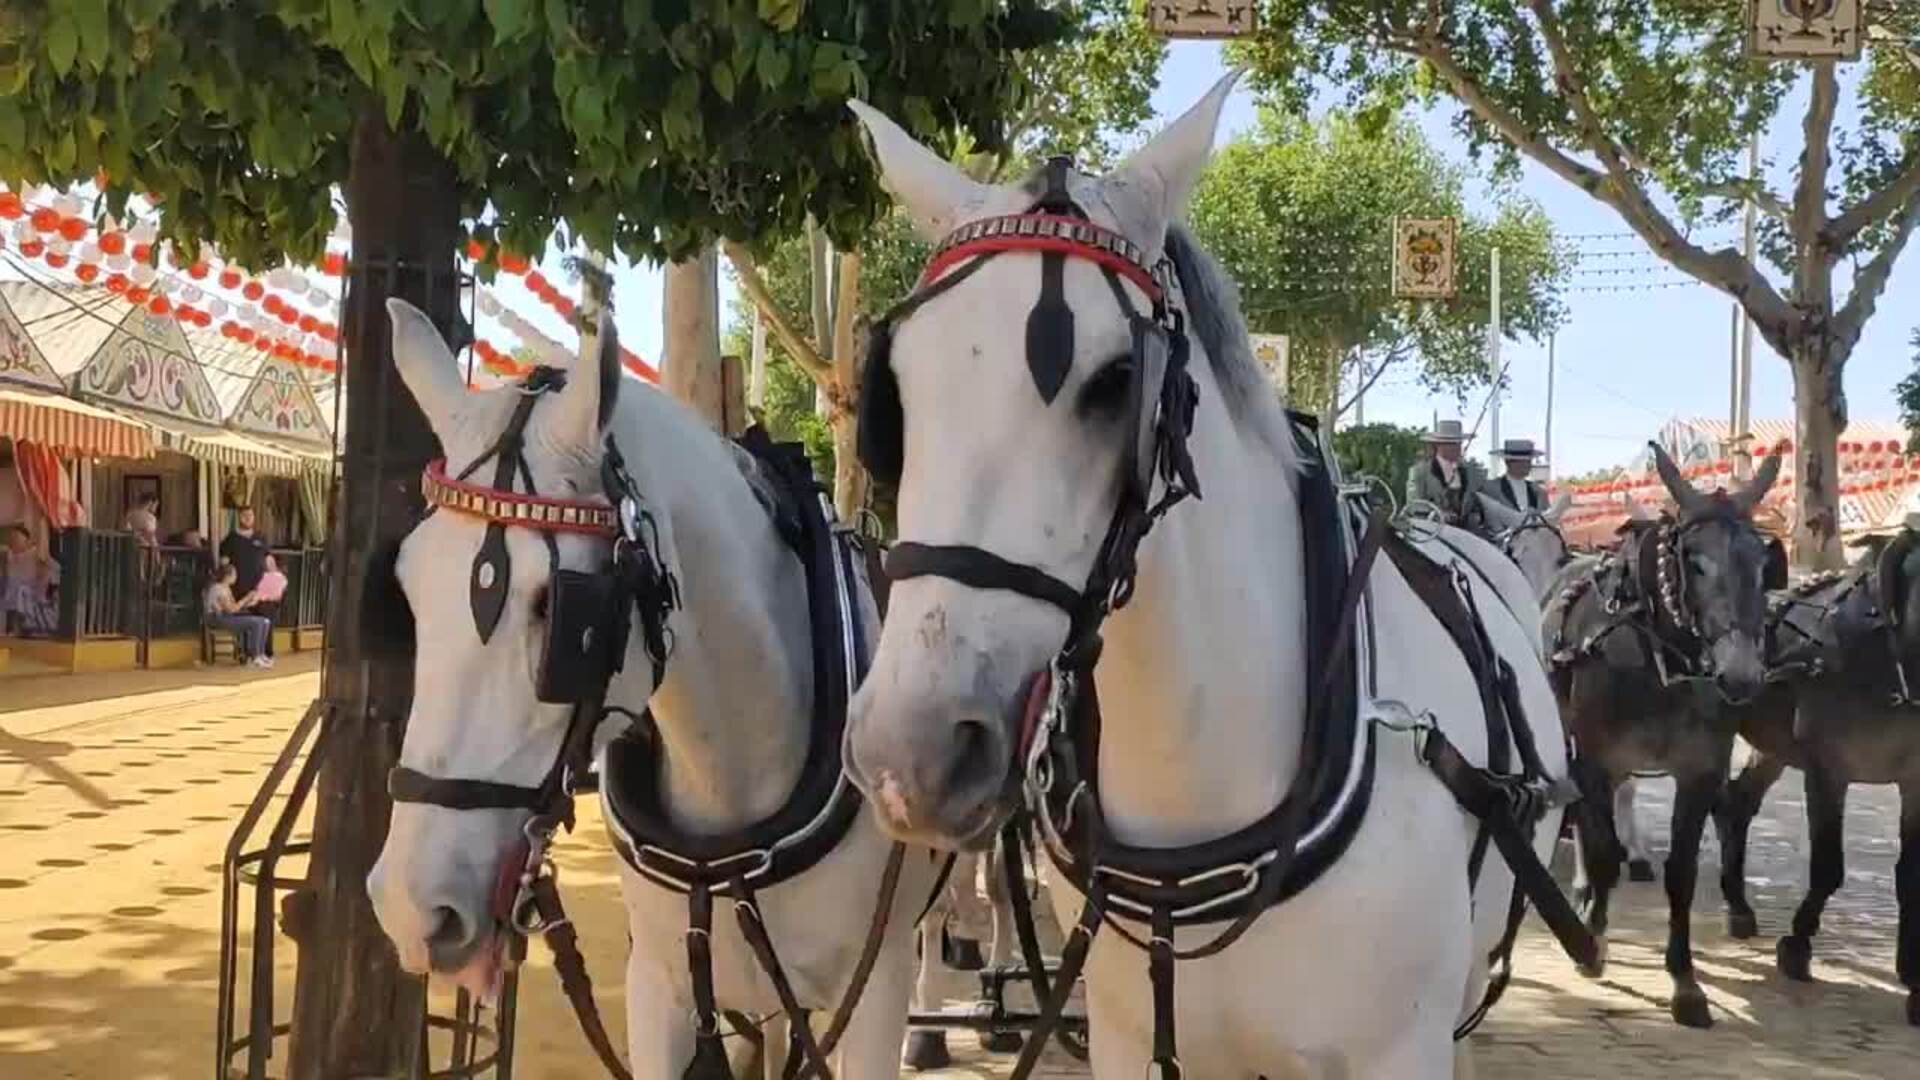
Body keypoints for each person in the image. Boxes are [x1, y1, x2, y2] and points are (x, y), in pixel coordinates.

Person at [1404, 419, 1488, 526]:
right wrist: (1438, 514)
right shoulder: (1420, 472)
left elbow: (1477, 504)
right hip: (1432, 533)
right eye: (1451, 444)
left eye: (1458, 443)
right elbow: (1414, 505)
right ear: (1438, 445)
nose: (1457, 447)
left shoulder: (1469, 473)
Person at [205, 562, 272, 667]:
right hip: (217, 619)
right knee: (255, 623)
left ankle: (261, 653)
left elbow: (234, 607)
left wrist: (249, 601)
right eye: (234, 574)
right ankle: (255, 657)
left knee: (264, 621)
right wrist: (246, 598)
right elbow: (231, 609)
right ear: (227, 576)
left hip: (227, 617)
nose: (236, 577)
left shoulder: (226, 588)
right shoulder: (218, 588)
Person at [2, 525, 60, 636]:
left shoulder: (34, 553)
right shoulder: (9, 555)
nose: (13, 541)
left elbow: (51, 567)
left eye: (17, 538)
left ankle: (21, 629)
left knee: (21, 593)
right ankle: (12, 630)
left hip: (30, 594)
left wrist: (43, 581)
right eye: (12, 538)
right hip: (11, 600)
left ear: (27, 540)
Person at [244, 554, 289, 660]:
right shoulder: (282, 578)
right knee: (267, 628)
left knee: (262, 627)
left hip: (263, 605)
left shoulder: (269, 576)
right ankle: (265, 652)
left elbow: (259, 592)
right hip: (271, 606)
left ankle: (257, 652)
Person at [1486, 438, 1549, 512]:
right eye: (1521, 461)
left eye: (1529, 461)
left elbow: (1547, 517)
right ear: (1508, 462)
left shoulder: (1539, 491)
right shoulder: (1491, 488)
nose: (1527, 465)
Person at [220, 507, 270, 598]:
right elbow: (224, 563)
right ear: (239, 517)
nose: (248, 518)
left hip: (258, 591)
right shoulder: (231, 539)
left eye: (250, 515)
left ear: (254, 517)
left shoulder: (261, 537)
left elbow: (268, 559)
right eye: (244, 515)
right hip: (237, 591)